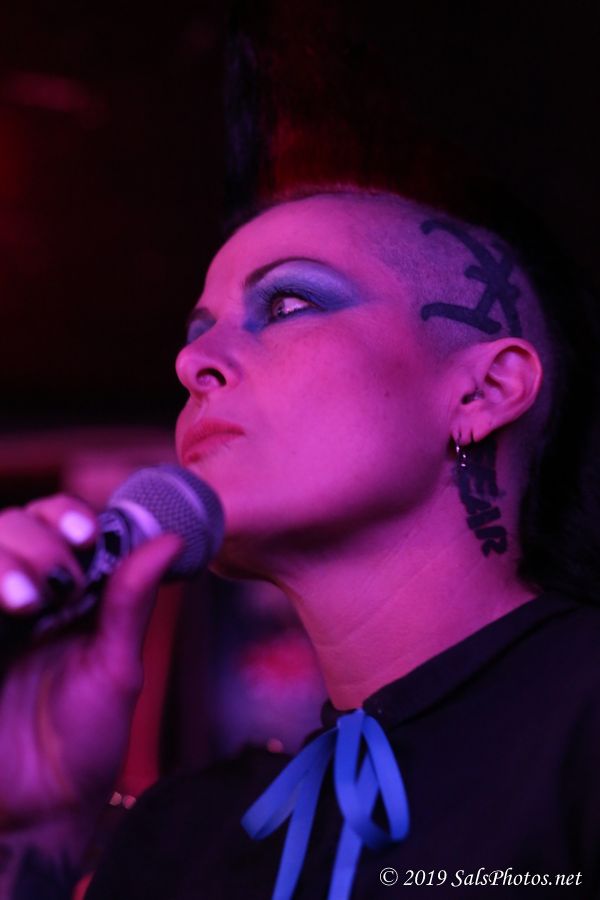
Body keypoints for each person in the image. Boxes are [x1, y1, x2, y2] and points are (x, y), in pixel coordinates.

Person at [0, 188, 598, 898]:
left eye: (287, 304)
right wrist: (36, 837)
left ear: (485, 390)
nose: (192, 363)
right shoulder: (185, 839)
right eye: (199, 329)